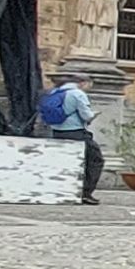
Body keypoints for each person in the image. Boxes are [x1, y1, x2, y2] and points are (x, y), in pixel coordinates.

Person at [37, 68, 103, 203]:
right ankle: (86, 192)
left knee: (63, 161)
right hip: (76, 132)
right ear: (83, 83)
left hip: (56, 132)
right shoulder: (78, 94)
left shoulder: (55, 91)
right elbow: (87, 115)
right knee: (95, 159)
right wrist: (94, 115)